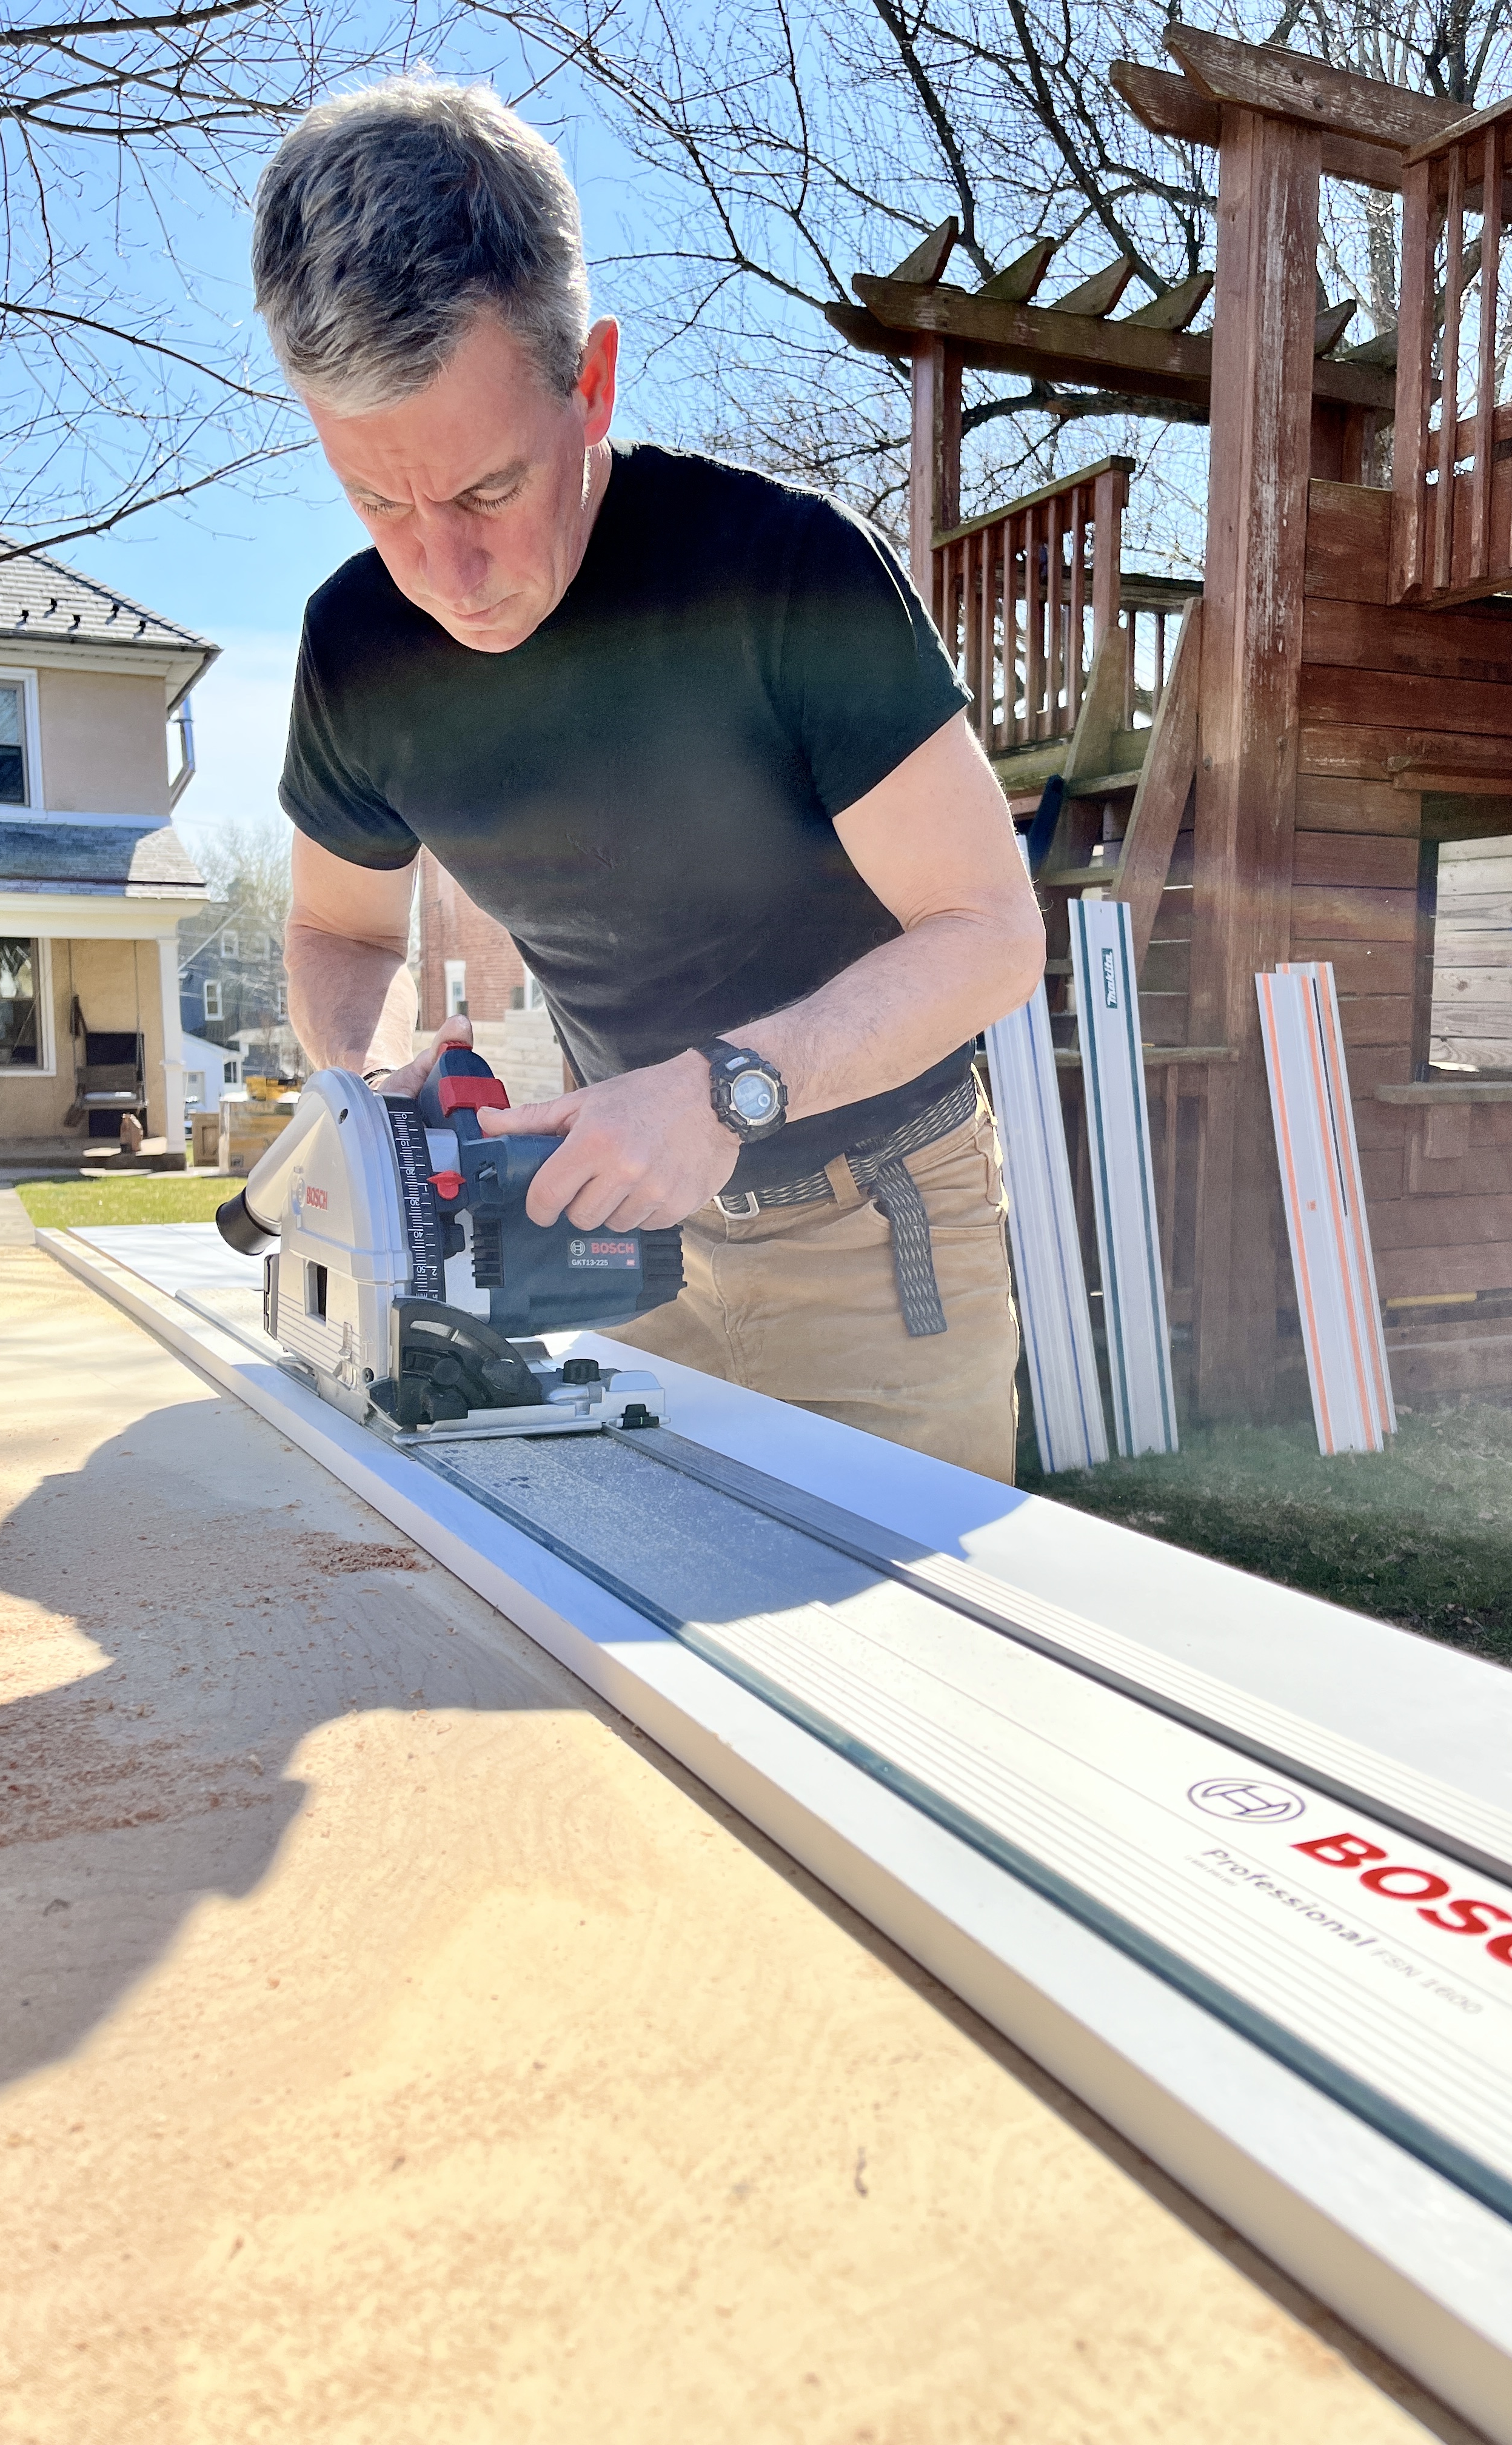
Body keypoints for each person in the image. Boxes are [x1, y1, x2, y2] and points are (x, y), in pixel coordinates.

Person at [253, 78, 1045, 1481]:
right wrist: (372, 1079)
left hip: (872, 1220)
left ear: (593, 380)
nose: (444, 572)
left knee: (906, 1668)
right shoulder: (353, 645)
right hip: (604, 1226)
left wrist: (722, 1093)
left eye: (489, 492)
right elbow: (340, 929)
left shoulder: (787, 573)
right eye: (380, 501)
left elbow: (989, 935)